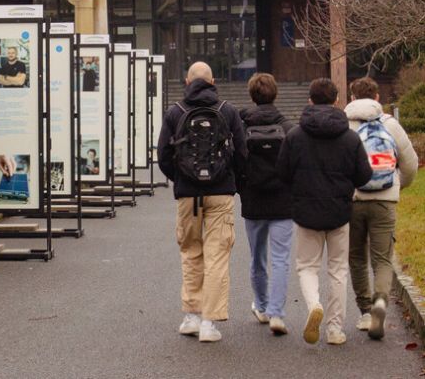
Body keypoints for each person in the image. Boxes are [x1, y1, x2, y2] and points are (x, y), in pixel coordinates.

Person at [277, 78, 372, 345]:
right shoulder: (350, 138)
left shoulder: (295, 136)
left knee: (307, 267)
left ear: (310, 100)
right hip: (340, 211)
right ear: (336, 101)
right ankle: (334, 328)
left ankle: (313, 305)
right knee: (338, 270)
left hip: (306, 212)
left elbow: (282, 172)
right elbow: (364, 176)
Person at [157, 62, 246, 343]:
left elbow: (163, 154)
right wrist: (231, 180)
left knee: (191, 252)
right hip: (221, 192)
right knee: (218, 255)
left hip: (188, 194)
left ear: (187, 82)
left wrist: (181, 178)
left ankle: (191, 317)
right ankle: (210, 322)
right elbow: (242, 152)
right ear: (213, 81)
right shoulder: (227, 111)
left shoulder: (175, 112)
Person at [345, 77, 418, 340]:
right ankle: (380, 301)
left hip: (353, 200)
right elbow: (410, 164)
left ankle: (365, 311)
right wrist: (398, 186)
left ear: (352, 97)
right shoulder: (390, 124)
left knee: (356, 256)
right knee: (383, 257)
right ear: (377, 98)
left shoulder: (345, 125)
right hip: (385, 200)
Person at [238, 73, 296, 336]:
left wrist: (242, 189)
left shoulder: (242, 126)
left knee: (257, 257)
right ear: (275, 94)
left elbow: (236, 161)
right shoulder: (288, 127)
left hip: (253, 200)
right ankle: (276, 312)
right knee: (281, 258)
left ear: (252, 95)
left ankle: (261, 306)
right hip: (283, 201)